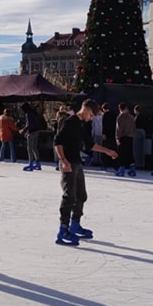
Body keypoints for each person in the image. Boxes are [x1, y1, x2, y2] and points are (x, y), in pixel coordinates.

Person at [53, 99, 118, 245]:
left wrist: (107, 151)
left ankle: (75, 224)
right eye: (91, 115)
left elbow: (89, 144)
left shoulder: (82, 125)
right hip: (68, 163)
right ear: (86, 110)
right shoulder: (69, 122)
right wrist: (63, 160)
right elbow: (57, 141)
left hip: (77, 163)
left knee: (81, 195)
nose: (92, 118)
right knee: (69, 196)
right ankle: (63, 229)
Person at [19, 102, 44, 171]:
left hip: (32, 132)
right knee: (34, 147)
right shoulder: (34, 112)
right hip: (37, 131)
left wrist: (23, 130)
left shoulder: (28, 114)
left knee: (29, 148)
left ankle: (31, 164)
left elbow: (29, 124)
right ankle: (38, 163)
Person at [114, 102, 136, 177]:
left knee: (122, 154)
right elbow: (134, 128)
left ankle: (121, 170)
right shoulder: (132, 117)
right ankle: (132, 170)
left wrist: (117, 138)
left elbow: (118, 129)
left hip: (123, 137)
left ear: (120, 109)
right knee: (130, 154)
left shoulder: (120, 117)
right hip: (130, 137)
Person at [132, 105, 150, 170]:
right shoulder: (144, 117)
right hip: (143, 131)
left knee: (136, 148)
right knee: (142, 148)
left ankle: (137, 163)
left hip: (137, 132)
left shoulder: (136, 117)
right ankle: (142, 164)